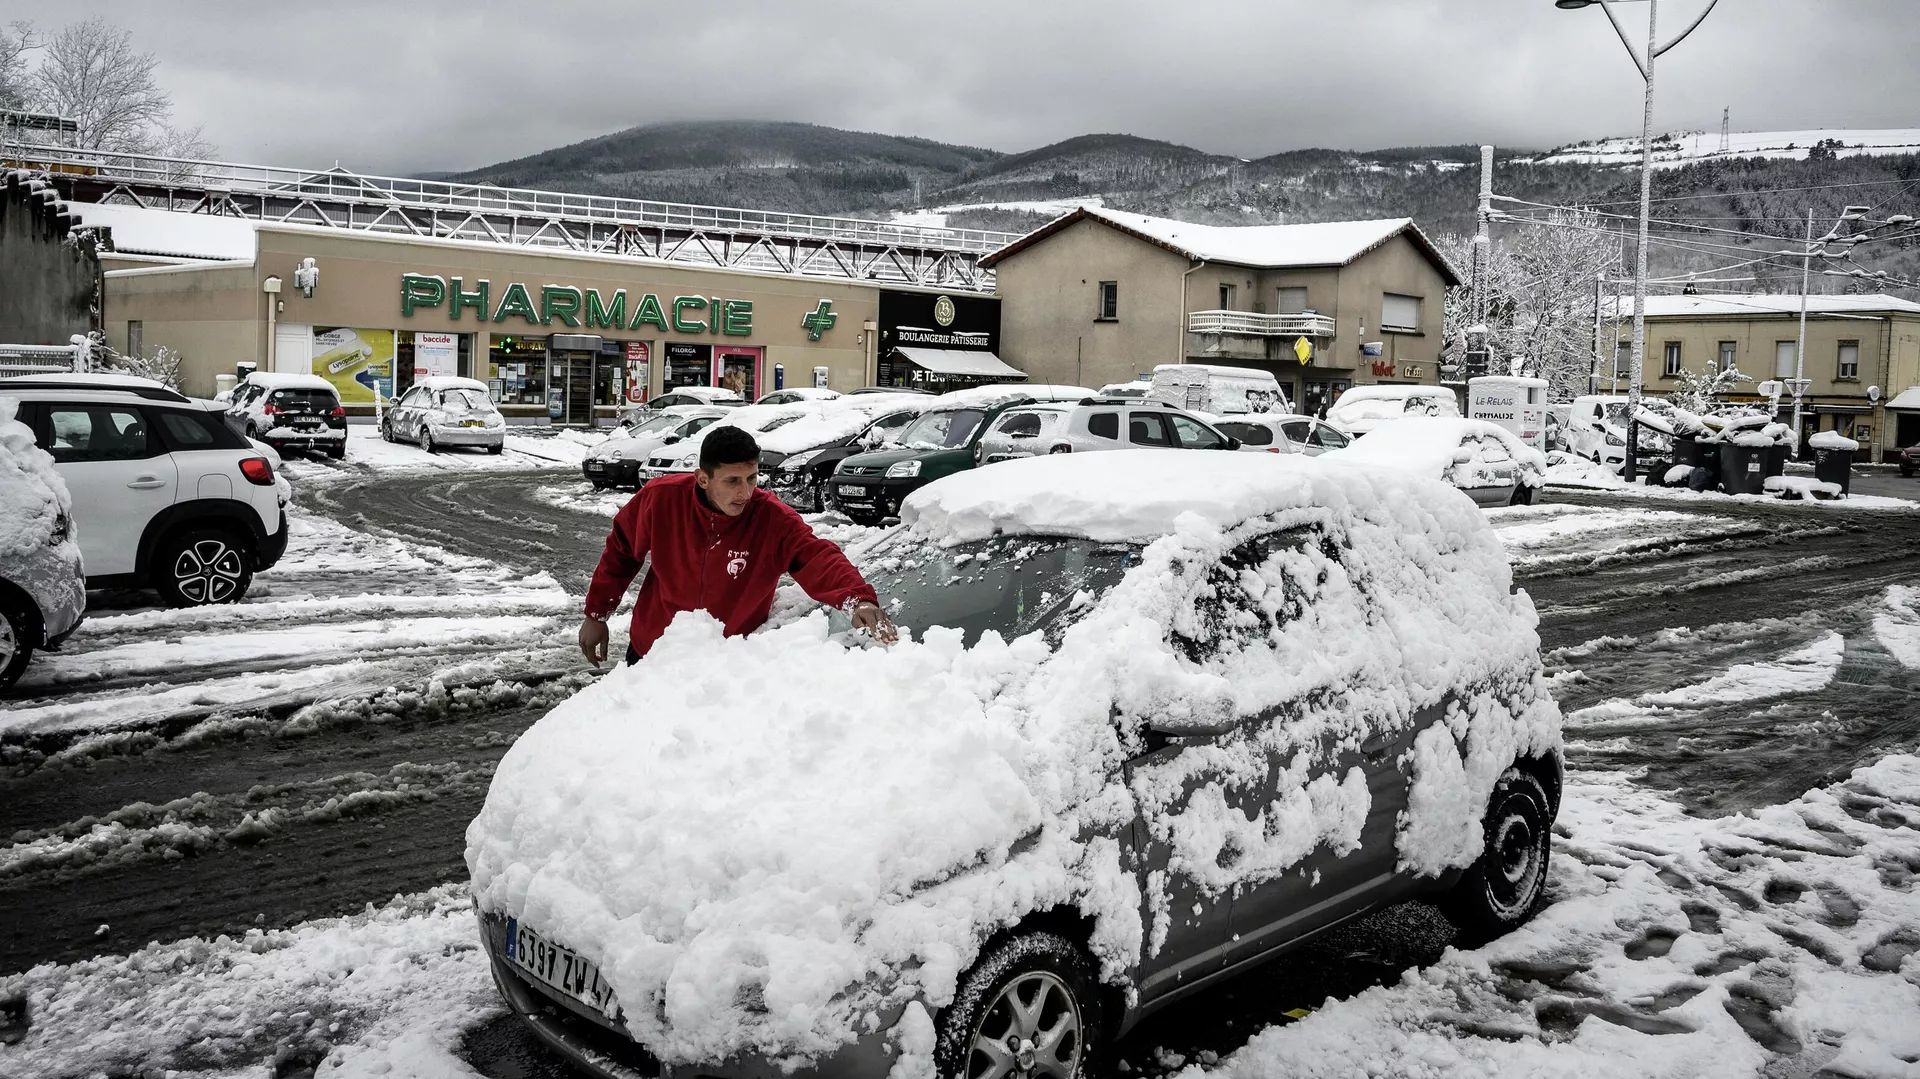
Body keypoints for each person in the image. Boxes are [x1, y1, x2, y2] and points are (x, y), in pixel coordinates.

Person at [578, 424, 897, 665]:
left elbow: (816, 557)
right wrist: (596, 614)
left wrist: (858, 599)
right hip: (654, 652)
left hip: (727, 665)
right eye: (732, 481)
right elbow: (621, 551)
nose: (745, 493)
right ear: (702, 479)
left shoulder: (770, 518)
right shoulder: (661, 500)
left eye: (752, 479)